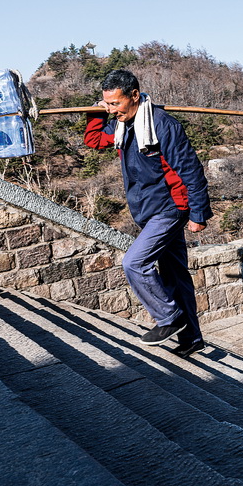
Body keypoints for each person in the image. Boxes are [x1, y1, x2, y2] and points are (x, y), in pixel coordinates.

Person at [84, 69, 213, 357]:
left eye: (116, 103)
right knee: (175, 276)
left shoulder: (162, 125)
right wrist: (97, 112)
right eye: (108, 103)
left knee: (134, 263)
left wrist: (198, 214)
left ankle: (170, 317)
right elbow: (93, 140)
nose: (113, 109)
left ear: (134, 95)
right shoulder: (123, 125)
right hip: (147, 209)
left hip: (170, 208)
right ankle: (191, 339)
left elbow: (191, 170)